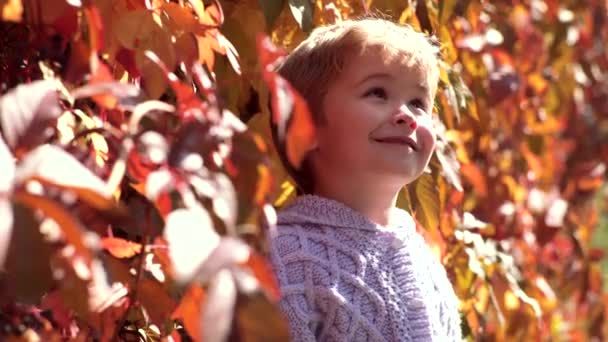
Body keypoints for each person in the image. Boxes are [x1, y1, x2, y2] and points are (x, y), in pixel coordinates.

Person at [267, 17, 462, 341]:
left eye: (418, 102)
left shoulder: (424, 261)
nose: (407, 116)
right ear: (306, 129)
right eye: (377, 92)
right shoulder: (286, 256)